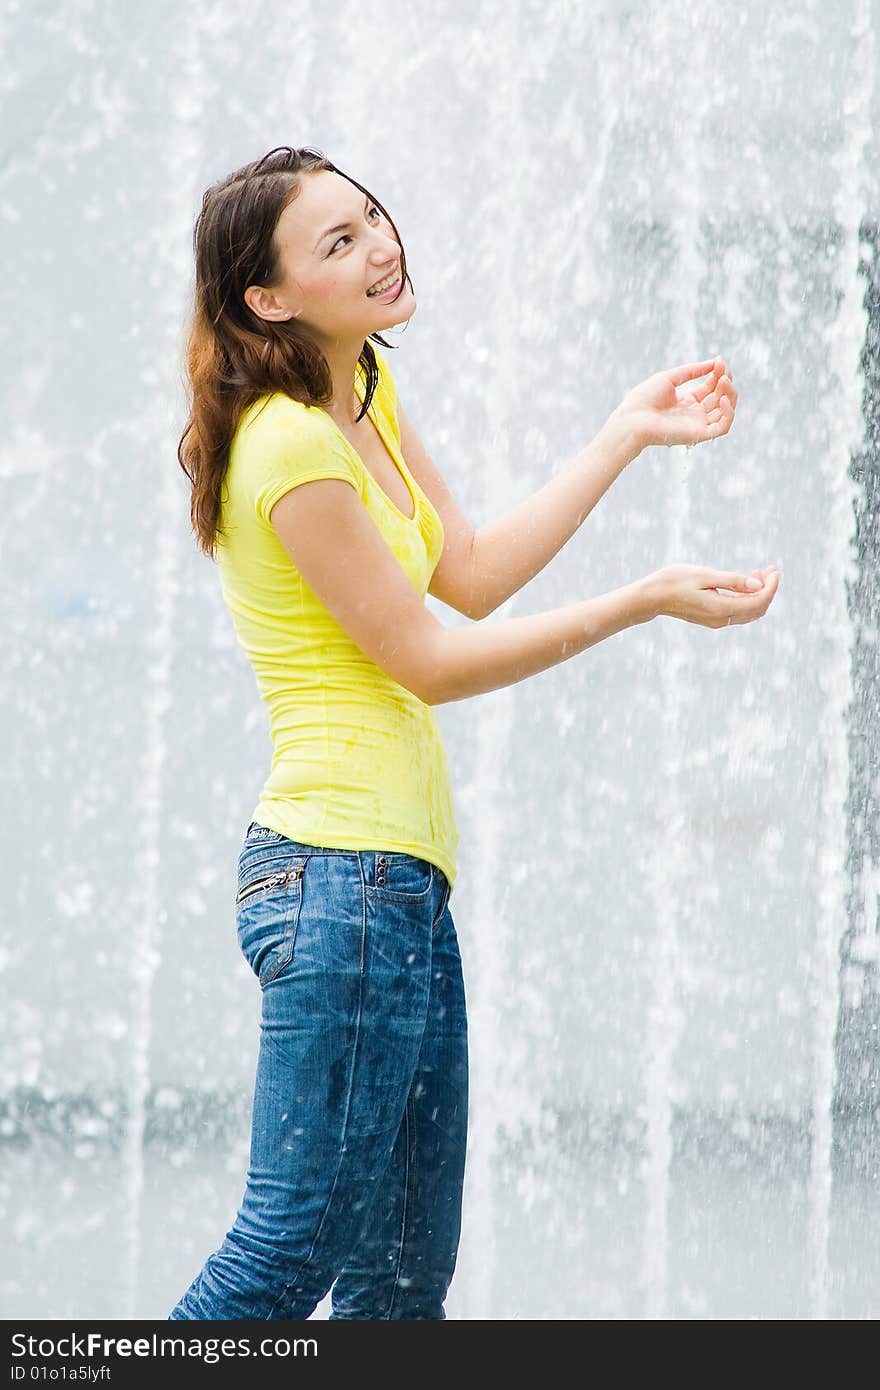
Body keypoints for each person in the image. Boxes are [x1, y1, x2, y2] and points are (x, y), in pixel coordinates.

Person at [167, 145, 780, 1322]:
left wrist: (622, 434)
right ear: (268, 299)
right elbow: (429, 662)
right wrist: (642, 598)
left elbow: (476, 577)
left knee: (399, 1283)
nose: (379, 245)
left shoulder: (361, 398)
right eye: (335, 243)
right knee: (286, 1257)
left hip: (395, 888)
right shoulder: (287, 443)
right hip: (335, 881)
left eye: (371, 217)